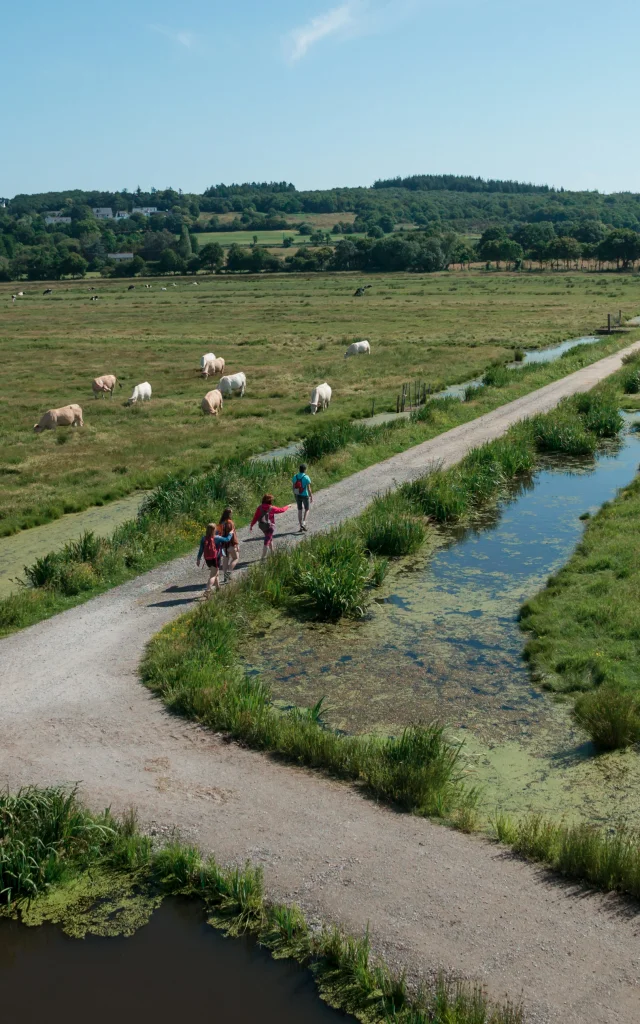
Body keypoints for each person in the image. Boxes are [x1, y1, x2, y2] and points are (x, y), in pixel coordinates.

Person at [196, 522, 232, 599]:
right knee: (213, 575)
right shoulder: (217, 538)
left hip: (207, 559)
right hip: (216, 558)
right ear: (214, 530)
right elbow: (227, 539)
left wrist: (198, 559)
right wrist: (231, 533)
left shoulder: (203, 538)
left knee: (216, 572)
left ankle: (218, 588)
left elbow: (201, 550)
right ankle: (208, 590)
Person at [249, 493, 290, 558]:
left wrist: (251, 525)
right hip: (270, 526)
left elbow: (255, 517)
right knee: (267, 541)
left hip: (262, 526)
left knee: (269, 538)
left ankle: (272, 553)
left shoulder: (259, 508)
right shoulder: (272, 508)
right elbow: (281, 510)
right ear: (270, 501)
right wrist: (287, 506)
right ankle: (263, 557)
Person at [216, 506, 239, 582]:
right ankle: (228, 573)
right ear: (229, 514)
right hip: (230, 544)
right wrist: (236, 544)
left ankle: (225, 577)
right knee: (236, 558)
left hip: (223, 546)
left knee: (225, 561)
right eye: (231, 513)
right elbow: (233, 534)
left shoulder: (220, 523)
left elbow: (218, 535)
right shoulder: (230, 523)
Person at [292, 463, 313, 532]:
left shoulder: (295, 476)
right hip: (305, 495)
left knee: (299, 510)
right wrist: (311, 496)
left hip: (298, 495)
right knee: (307, 509)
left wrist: (295, 494)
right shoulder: (306, 477)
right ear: (305, 469)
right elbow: (309, 488)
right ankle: (304, 523)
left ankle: (300, 527)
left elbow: (293, 487)